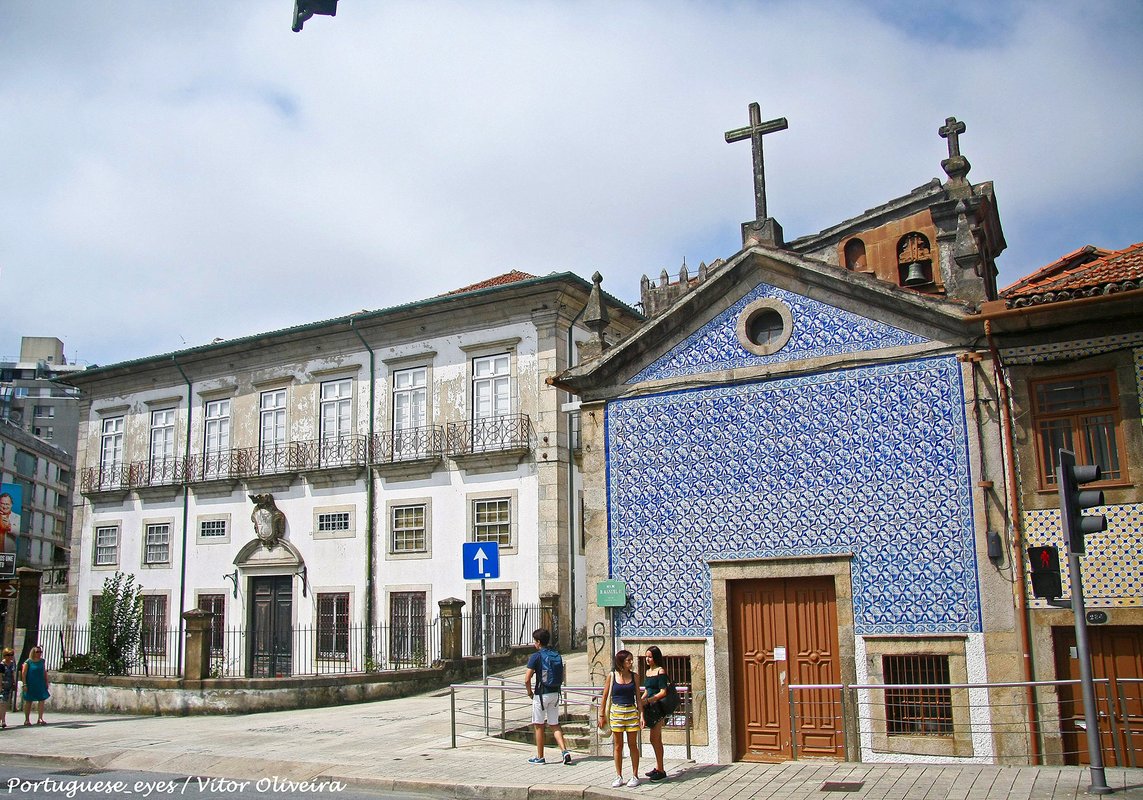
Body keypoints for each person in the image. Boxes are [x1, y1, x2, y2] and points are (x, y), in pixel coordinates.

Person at [523, 627, 572, 765]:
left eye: (535, 641)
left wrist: (529, 692)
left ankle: (540, 757)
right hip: (555, 693)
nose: (534, 643)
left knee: (539, 725)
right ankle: (564, 751)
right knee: (554, 724)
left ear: (539, 642)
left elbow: (527, 679)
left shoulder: (536, 656)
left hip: (541, 694)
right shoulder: (555, 654)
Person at [598, 649, 643, 788]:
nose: (631, 662)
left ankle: (635, 775)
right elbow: (605, 696)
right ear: (621, 662)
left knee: (633, 744)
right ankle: (619, 775)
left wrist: (641, 715)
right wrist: (601, 715)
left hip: (631, 711)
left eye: (631, 660)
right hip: (616, 712)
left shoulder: (635, 676)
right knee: (618, 745)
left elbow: (638, 697)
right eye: (628, 660)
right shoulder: (612, 676)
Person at [641, 646, 671, 782]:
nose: (647, 659)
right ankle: (658, 767)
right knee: (655, 739)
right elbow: (648, 690)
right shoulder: (648, 671)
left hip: (657, 707)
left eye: (650, 657)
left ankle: (661, 769)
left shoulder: (660, 671)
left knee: (654, 738)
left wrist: (649, 700)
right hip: (649, 707)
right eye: (646, 656)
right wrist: (641, 700)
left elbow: (663, 691)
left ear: (655, 657)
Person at [21, 645, 50, 725]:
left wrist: (46, 682)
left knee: (41, 700)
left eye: (40, 652)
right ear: (33, 652)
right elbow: (23, 674)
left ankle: (40, 718)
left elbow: (44, 672)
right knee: (29, 701)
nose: (39, 653)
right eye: (37, 652)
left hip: (40, 683)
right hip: (30, 683)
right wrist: (24, 684)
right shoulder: (28, 662)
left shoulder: (42, 661)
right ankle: (27, 719)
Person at [0, 647, 15, 729]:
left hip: (8, 686)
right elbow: (0, 676)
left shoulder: (12, 663)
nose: (10, 656)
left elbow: (13, 673)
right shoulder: (1, 665)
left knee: (4, 704)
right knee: (2, 703)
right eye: (8, 655)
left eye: (12, 655)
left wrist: (14, 683)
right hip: (2, 686)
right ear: (4, 655)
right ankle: (3, 721)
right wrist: (0, 686)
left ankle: (1, 719)